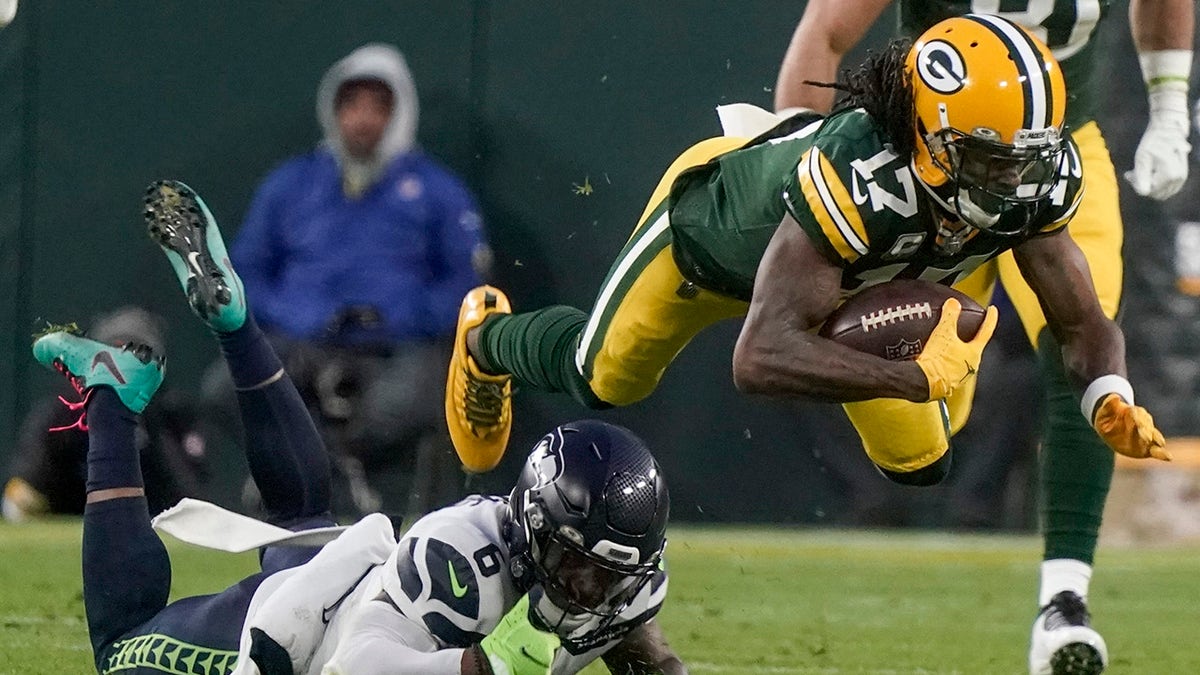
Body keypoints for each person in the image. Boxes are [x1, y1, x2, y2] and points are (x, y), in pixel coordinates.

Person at [444, 11, 1167, 662]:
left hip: (840, 291)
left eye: (1026, 155)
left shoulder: (1025, 178)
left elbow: (1082, 321)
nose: (1015, 178)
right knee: (601, 377)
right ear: (933, 141)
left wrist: (1107, 393)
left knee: (922, 461)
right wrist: (909, 376)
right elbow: (757, 356)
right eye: (991, 158)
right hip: (706, 247)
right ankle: (489, 339)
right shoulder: (859, 176)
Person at [41, 179, 682, 675]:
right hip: (301, 633)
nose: (588, 589)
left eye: (607, 576)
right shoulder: (463, 561)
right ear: (534, 529)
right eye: (575, 565)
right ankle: (113, 399)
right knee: (121, 644)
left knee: (302, 512)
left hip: (335, 565)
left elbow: (644, 656)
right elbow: (357, 662)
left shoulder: (618, 581)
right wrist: (477, 666)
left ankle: (237, 327)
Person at [771, 2, 1193, 674]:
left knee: (1082, 344)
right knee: (924, 417)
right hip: (929, 165)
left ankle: (1064, 604)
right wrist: (792, 163)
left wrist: (1169, 103)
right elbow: (825, 32)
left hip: (1060, 151)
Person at [225, 42, 491, 517]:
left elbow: (467, 285)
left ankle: (320, 472)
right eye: (352, 105)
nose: (363, 119)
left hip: (395, 350)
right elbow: (245, 273)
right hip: (301, 344)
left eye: (377, 106)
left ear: (400, 112)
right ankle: (314, 473)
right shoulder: (290, 184)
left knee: (415, 397)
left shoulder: (439, 191)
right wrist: (303, 316)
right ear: (334, 109)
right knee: (225, 385)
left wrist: (399, 317)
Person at [3, 306, 209, 522]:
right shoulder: (64, 411)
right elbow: (23, 495)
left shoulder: (169, 415)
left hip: (151, 521)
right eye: (114, 355)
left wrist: (153, 432)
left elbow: (189, 499)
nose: (122, 370)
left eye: (138, 357)